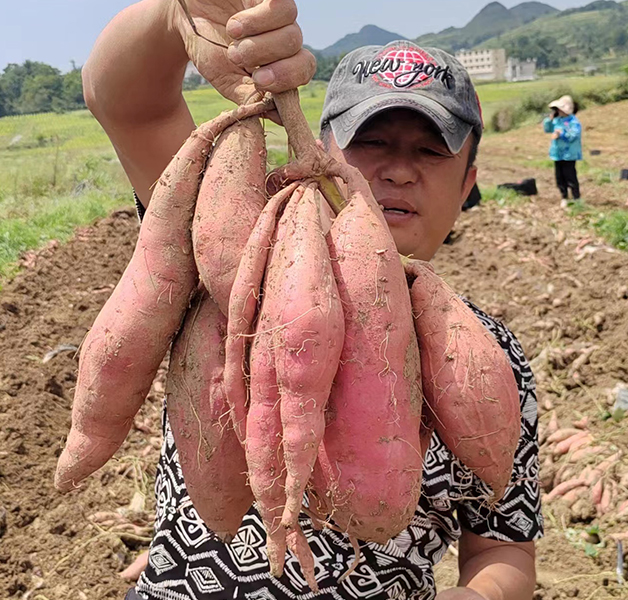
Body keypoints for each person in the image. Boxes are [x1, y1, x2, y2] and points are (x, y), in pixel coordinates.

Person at [82, 1, 542, 598]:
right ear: (320, 151)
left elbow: (502, 545)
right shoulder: (236, 255)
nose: (399, 171)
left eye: (431, 150)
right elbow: (124, 101)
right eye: (369, 140)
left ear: (468, 187)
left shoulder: (489, 355)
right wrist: (177, 17)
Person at [543, 95, 582, 203]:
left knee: (570, 176)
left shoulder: (573, 121)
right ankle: (564, 196)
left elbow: (574, 135)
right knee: (560, 177)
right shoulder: (557, 120)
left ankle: (576, 198)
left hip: (569, 154)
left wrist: (562, 134)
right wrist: (548, 121)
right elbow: (547, 129)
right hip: (557, 153)